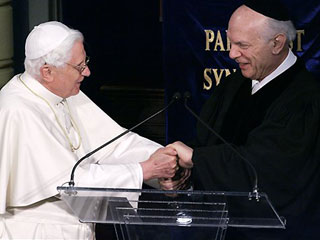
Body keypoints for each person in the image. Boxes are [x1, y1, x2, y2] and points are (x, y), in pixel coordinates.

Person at [0, 21, 179, 239]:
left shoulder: (62, 93)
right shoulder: (18, 110)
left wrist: (166, 157)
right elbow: (70, 184)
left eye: (85, 62)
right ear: (47, 72)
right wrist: (144, 170)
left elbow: (114, 144)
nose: (87, 72)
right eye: (79, 66)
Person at [161, 0, 320, 239]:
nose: (232, 54)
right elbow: (208, 142)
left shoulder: (306, 98)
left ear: (277, 43)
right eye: (231, 43)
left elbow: (270, 166)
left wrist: (196, 159)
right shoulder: (233, 85)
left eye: (242, 45)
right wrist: (186, 179)